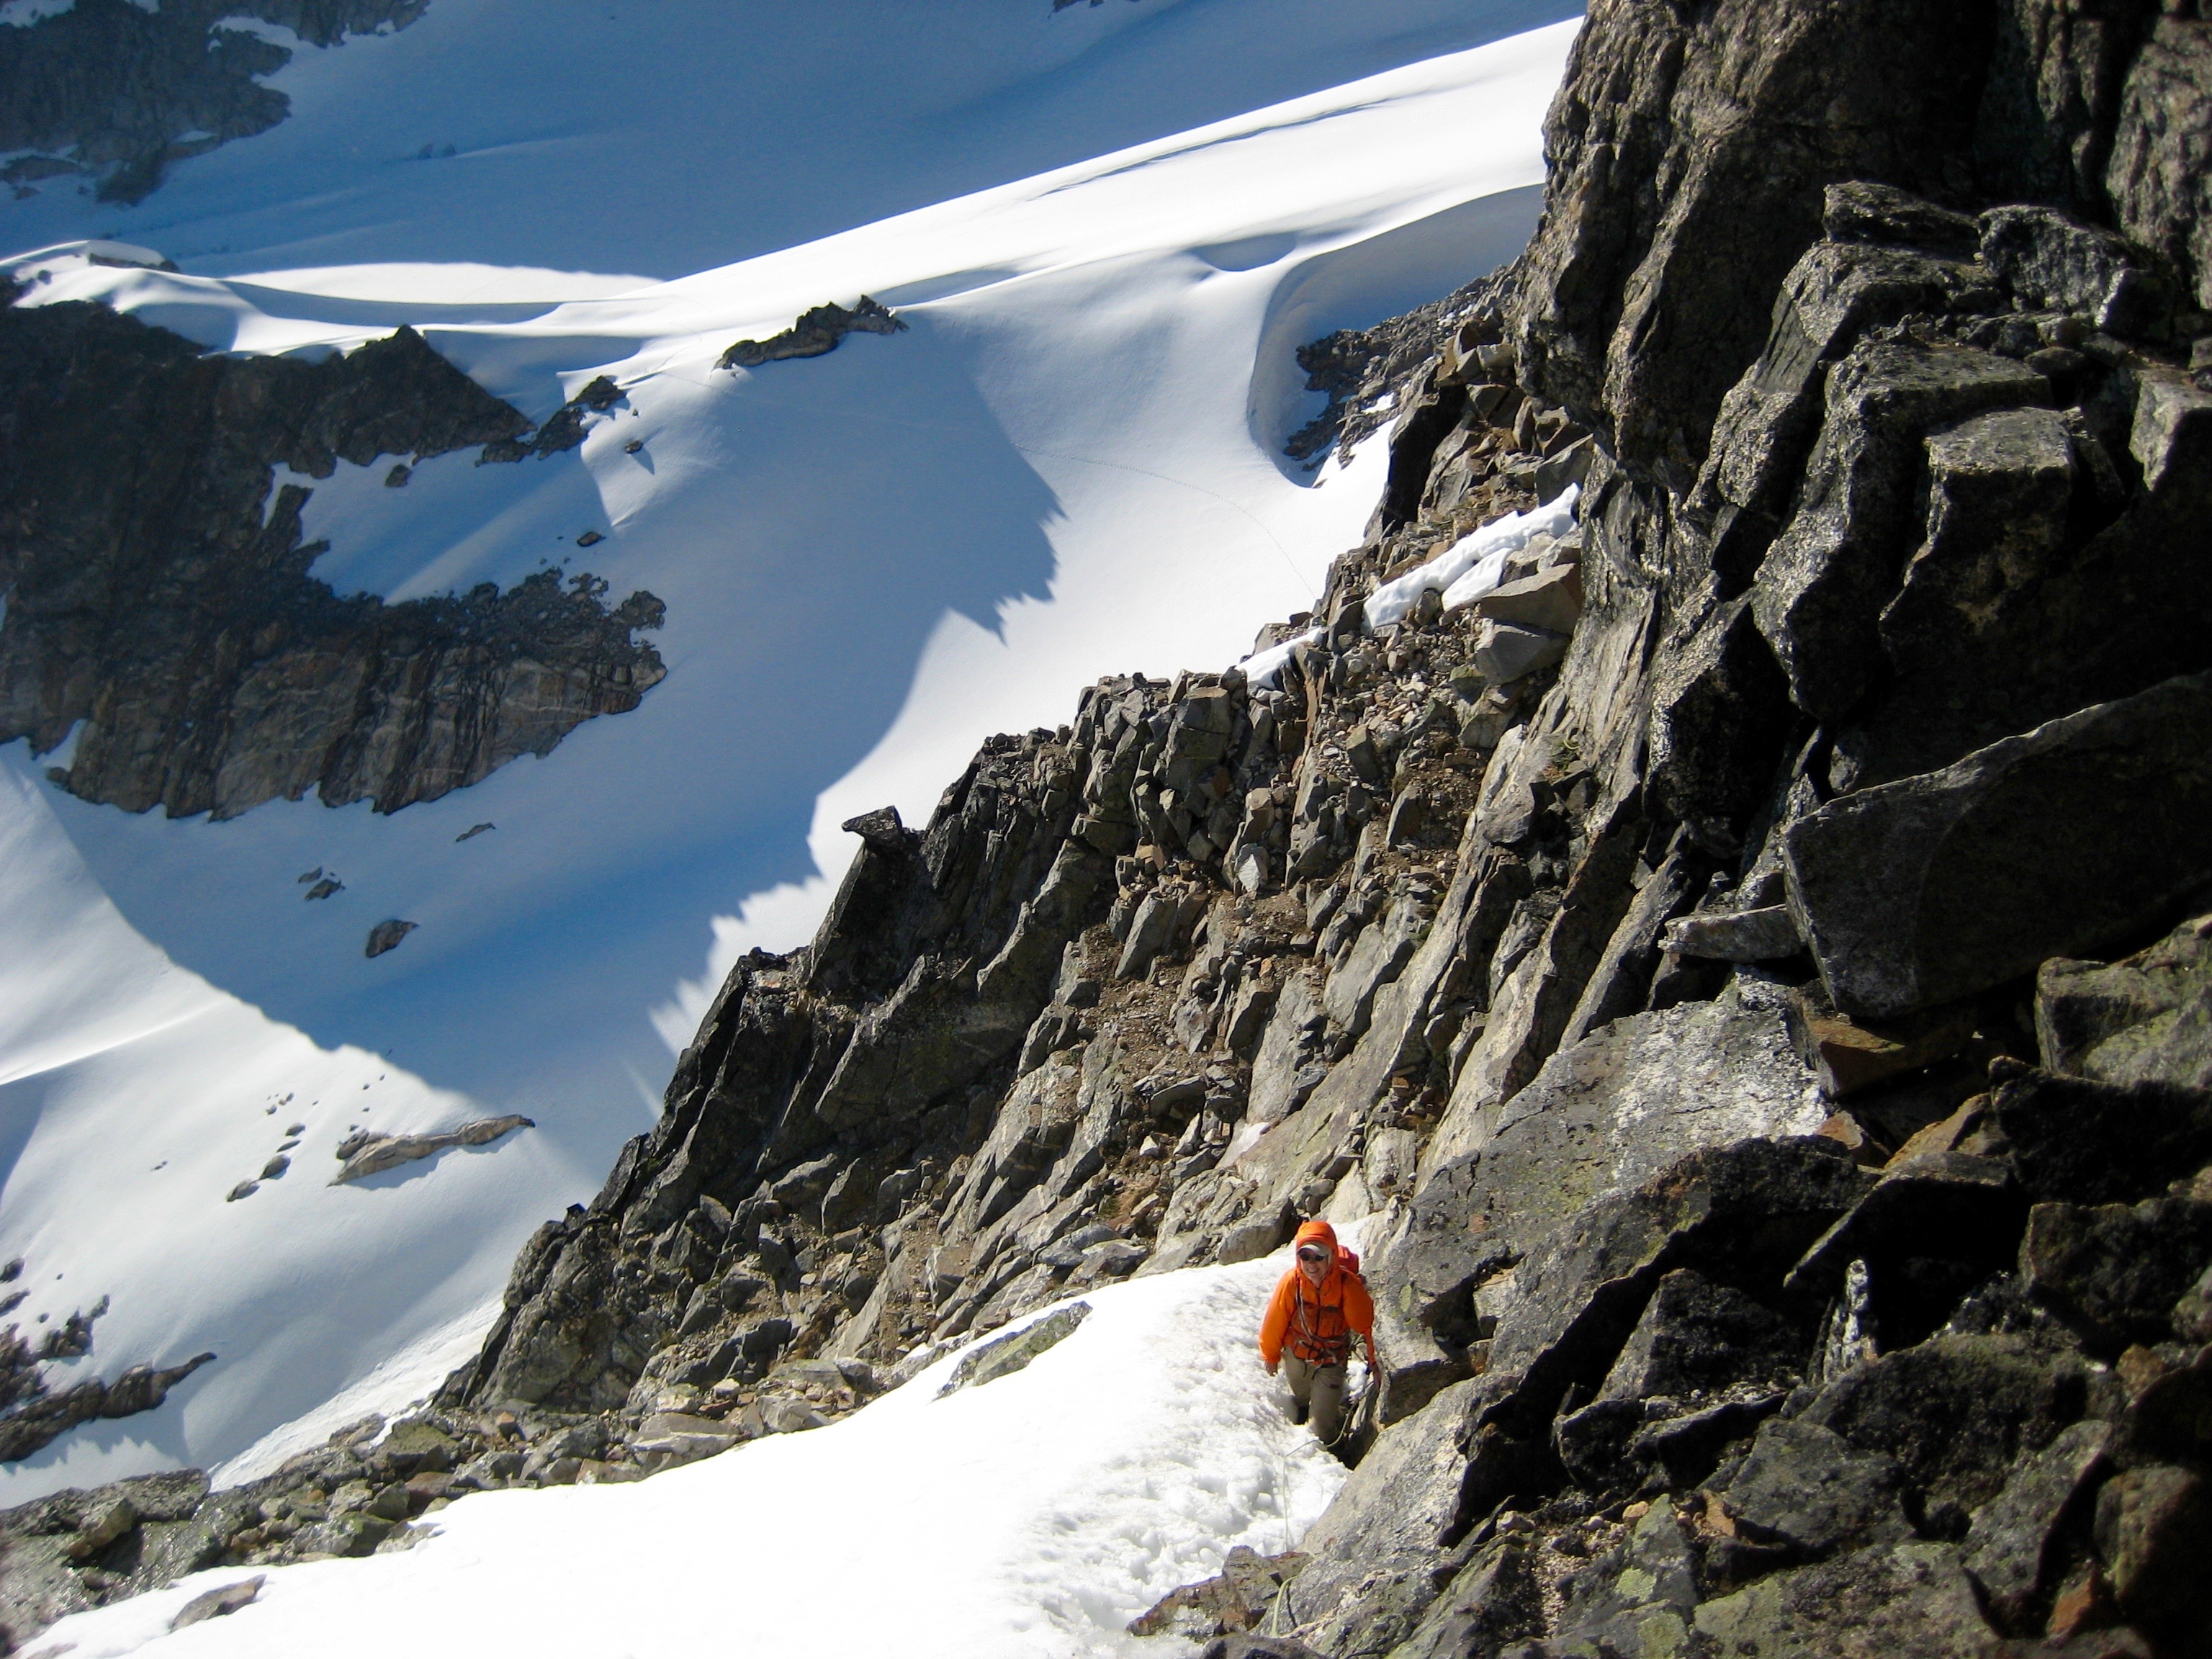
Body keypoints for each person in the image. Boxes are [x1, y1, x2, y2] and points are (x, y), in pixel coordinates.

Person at [1257, 1219, 1374, 1446]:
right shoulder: (1292, 1283)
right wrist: (1270, 1356)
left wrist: (1374, 1361)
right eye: (1305, 1256)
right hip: (1296, 1357)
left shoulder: (1347, 1285)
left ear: (1331, 1256)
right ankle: (1324, 1409)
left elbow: (1366, 1325)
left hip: (1330, 1362)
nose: (1311, 1264)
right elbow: (1275, 1320)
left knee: (1321, 1427)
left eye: (1318, 1257)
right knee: (1303, 1399)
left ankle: (1333, 1444)